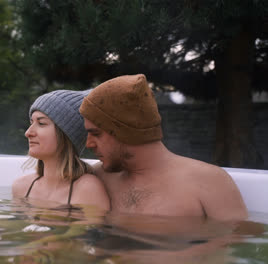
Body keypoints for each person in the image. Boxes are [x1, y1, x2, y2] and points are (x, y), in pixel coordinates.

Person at [79, 74, 248, 220]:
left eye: (96, 133)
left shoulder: (209, 182)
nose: (88, 144)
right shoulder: (97, 179)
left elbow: (238, 249)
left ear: (124, 130)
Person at [12, 89, 110, 212]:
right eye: (31, 123)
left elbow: (91, 230)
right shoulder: (21, 187)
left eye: (41, 123)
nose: (28, 133)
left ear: (66, 135)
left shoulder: (87, 189)